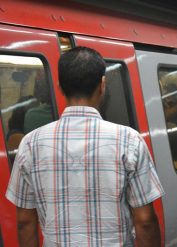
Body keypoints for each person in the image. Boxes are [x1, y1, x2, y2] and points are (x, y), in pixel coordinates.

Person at [6, 47, 164, 247]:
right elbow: (145, 222)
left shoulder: (30, 144)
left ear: (59, 87)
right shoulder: (129, 140)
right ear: (102, 85)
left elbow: (25, 222)